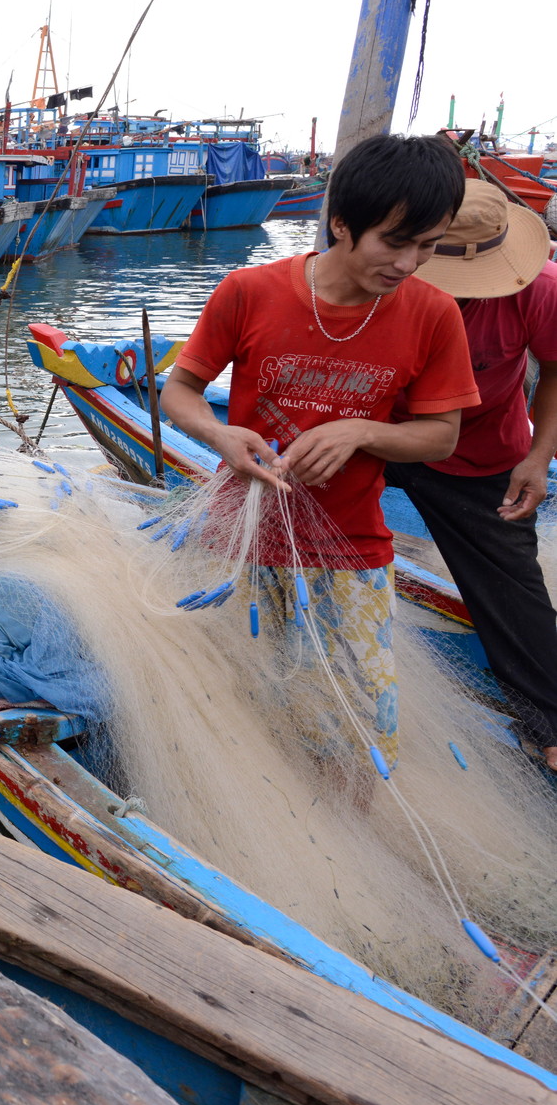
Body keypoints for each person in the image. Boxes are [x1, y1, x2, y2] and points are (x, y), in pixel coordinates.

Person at [161, 133, 478, 768]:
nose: (410, 263)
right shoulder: (249, 292)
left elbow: (440, 434)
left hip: (350, 550)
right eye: (395, 241)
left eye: (428, 246)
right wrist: (220, 435)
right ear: (340, 223)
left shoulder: (435, 315)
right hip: (236, 543)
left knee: (361, 736)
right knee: (232, 719)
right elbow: (181, 393)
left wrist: (361, 431)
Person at [391, 179, 557, 771]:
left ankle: (550, 725)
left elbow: (556, 368)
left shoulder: (539, 291)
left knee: (512, 585)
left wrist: (538, 457)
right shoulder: (384, 271)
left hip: (480, 451)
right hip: (377, 433)